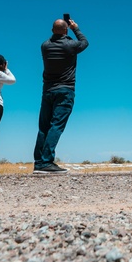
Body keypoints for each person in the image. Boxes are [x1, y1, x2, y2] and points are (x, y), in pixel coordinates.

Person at [34, 18, 89, 174]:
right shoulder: (69, 45)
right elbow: (84, 42)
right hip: (65, 90)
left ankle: (39, 162)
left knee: (43, 127)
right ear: (66, 30)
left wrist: (66, 31)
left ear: (52, 30)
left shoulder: (45, 46)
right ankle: (47, 162)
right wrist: (76, 28)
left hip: (48, 90)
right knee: (57, 125)